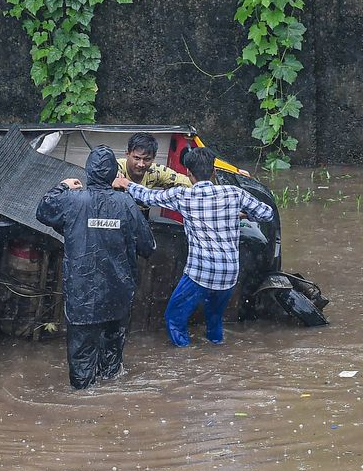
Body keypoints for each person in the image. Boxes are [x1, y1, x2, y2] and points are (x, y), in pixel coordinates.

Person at [114, 147, 274, 346]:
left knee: (174, 319)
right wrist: (243, 214)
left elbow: (148, 197)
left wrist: (125, 183)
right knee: (214, 321)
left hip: (200, 274)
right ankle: (216, 347)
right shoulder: (234, 193)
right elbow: (267, 213)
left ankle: (185, 357)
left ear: (189, 173)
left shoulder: (184, 196)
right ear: (213, 172)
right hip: (229, 275)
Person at [36, 146, 156, 390]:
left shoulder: (71, 200)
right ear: (113, 172)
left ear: (88, 172)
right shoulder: (126, 204)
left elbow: (43, 211)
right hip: (118, 293)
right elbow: (148, 246)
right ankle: (110, 399)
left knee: (81, 357)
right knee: (112, 360)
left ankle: (83, 403)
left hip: (83, 295)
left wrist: (62, 186)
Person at [118, 132, 193, 189]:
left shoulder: (155, 171)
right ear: (127, 154)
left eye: (147, 159)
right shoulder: (114, 166)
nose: (141, 164)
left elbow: (184, 181)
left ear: (153, 158)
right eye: (137, 158)